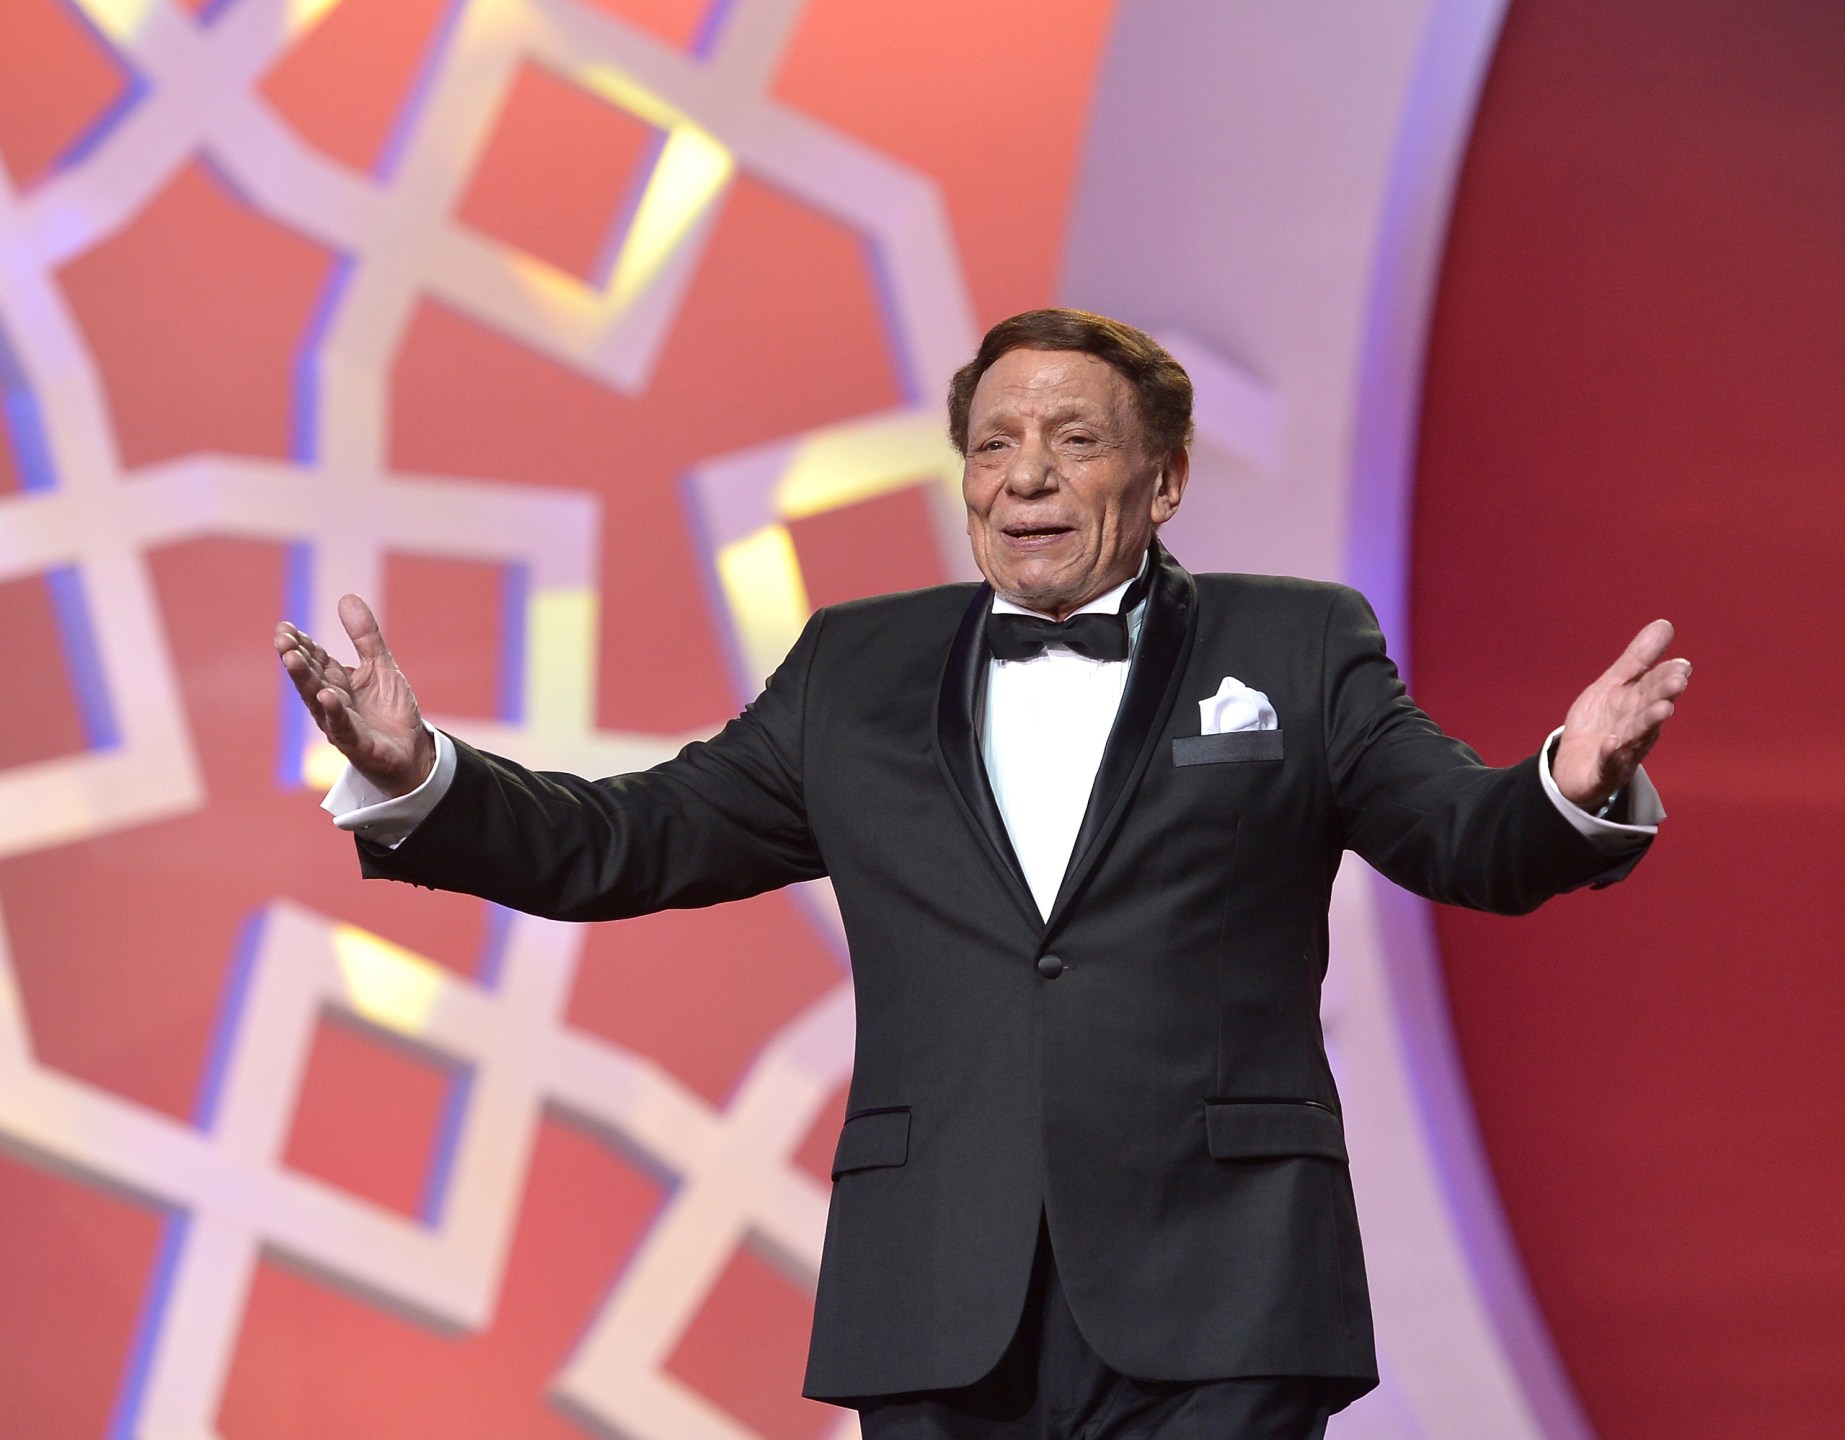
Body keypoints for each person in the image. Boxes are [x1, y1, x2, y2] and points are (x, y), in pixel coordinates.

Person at [275, 309, 1689, 1439]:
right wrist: (419, 774)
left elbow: (1459, 835)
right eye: (994, 442)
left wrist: (1570, 782)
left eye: (1075, 440)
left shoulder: (1297, 645)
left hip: (1224, 1285)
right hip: (940, 1294)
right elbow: (627, 840)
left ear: (1166, 479)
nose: (1027, 475)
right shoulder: (856, 667)